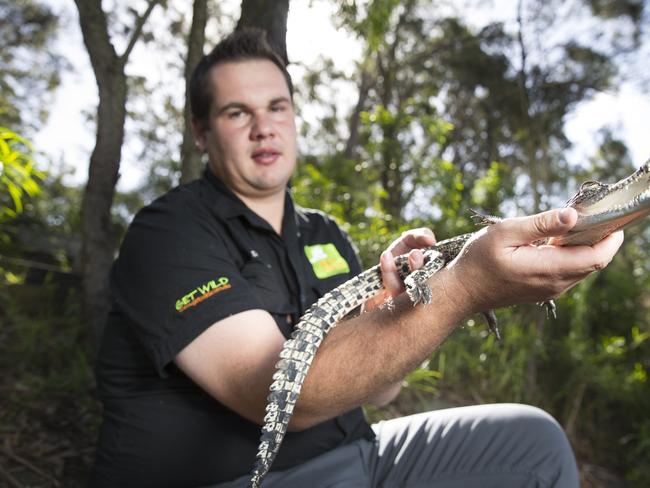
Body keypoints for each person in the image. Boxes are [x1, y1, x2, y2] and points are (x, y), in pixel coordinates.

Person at [88, 28, 623, 488]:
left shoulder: (322, 231)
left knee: (533, 442)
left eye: (277, 106)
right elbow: (280, 396)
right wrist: (468, 287)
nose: (264, 127)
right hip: (236, 477)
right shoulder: (170, 229)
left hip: (357, 456)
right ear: (201, 133)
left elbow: (383, 386)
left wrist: (395, 306)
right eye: (236, 112)